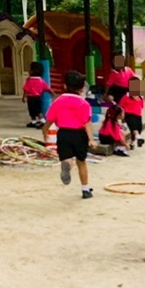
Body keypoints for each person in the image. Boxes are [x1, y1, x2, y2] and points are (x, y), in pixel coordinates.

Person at [44, 70, 96, 199]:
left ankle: (67, 165)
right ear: (82, 88)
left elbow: (50, 120)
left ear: (65, 86)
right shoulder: (83, 103)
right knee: (81, 162)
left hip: (63, 134)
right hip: (79, 134)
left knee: (67, 157)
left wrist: (44, 131)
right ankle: (85, 189)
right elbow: (87, 123)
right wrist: (91, 139)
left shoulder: (58, 101)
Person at [21, 62, 52, 128]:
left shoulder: (29, 80)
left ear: (32, 71)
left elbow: (26, 89)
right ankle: (36, 122)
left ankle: (42, 122)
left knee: (32, 111)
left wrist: (24, 97)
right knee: (38, 111)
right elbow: (47, 88)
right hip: (38, 97)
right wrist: (53, 93)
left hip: (31, 98)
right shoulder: (41, 80)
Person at [118, 79, 145, 147]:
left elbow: (142, 106)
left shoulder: (141, 97)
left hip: (138, 115)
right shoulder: (126, 96)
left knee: (139, 128)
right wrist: (123, 120)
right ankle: (138, 137)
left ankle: (132, 142)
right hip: (128, 114)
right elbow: (120, 107)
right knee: (133, 126)